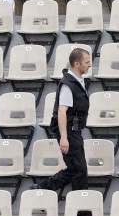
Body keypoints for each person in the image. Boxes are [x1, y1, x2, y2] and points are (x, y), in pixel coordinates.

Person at [33, 48, 91, 191]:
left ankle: (42, 189)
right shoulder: (68, 84)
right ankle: (80, 209)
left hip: (74, 131)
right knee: (80, 170)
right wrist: (64, 138)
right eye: (87, 62)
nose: (90, 65)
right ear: (77, 64)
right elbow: (62, 111)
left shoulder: (77, 81)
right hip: (69, 132)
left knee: (76, 169)